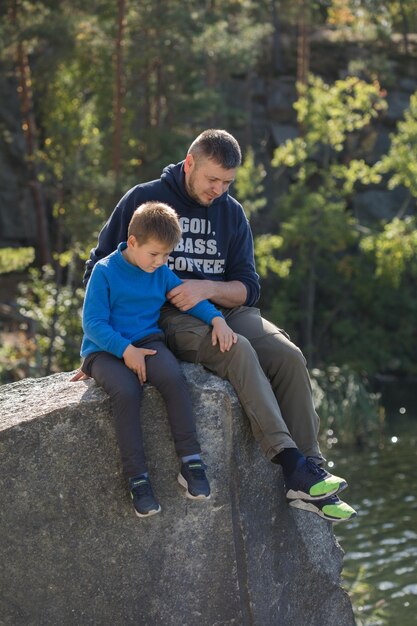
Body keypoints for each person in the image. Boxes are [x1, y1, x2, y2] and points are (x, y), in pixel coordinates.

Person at [75, 129, 356, 523]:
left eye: (227, 182)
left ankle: (312, 471)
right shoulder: (145, 200)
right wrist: (104, 345)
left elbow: (249, 288)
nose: (219, 190)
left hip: (223, 309)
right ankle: (290, 463)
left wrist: (207, 288)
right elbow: (100, 268)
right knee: (236, 349)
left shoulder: (231, 213)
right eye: (212, 179)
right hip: (167, 317)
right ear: (190, 164)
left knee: (289, 356)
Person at [80, 201, 237, 518]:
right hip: (104, 349)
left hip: (147, 341)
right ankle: (137, 478)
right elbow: (93, 324)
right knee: (126, 390)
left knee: (172, 377)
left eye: (166, 255)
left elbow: (187, 300)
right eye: (154, 254)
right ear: (133, 242)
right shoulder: (106, 271)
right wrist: (126, 351)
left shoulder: (160, 272)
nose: (160, 262)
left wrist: (217, 319)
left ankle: (191, 462)